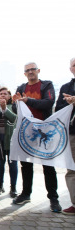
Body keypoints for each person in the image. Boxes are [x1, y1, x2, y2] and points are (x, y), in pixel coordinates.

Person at [12, 62, 61, 213]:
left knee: (48, 166)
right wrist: (16, 103)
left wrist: (28, 101)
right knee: (26, 165)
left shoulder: (46, 85)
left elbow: (48, 103)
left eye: (33, 69)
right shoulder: (21, 88)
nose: (30, 72)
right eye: (27, 70)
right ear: (24, 74)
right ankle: (26, 193)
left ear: (38, 70)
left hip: (45, 130)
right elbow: (16, 107)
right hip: (27, 131)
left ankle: (53, 197)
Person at [55, 57, 75, 215]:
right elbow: (58, 108)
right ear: (70, 69)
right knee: (72, 169)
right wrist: (69, 102)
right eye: (74, 65)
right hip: (72, 133)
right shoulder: (66, 87)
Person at [0, 87, 18, 198]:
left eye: (5, 94)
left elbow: (15, 119)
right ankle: (0, 185)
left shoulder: (13, 107)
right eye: (1, 94)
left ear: (9, 97)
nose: (3, 95)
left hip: (11, 139)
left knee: (13, 164)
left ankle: (13, 188)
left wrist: (5, 109)